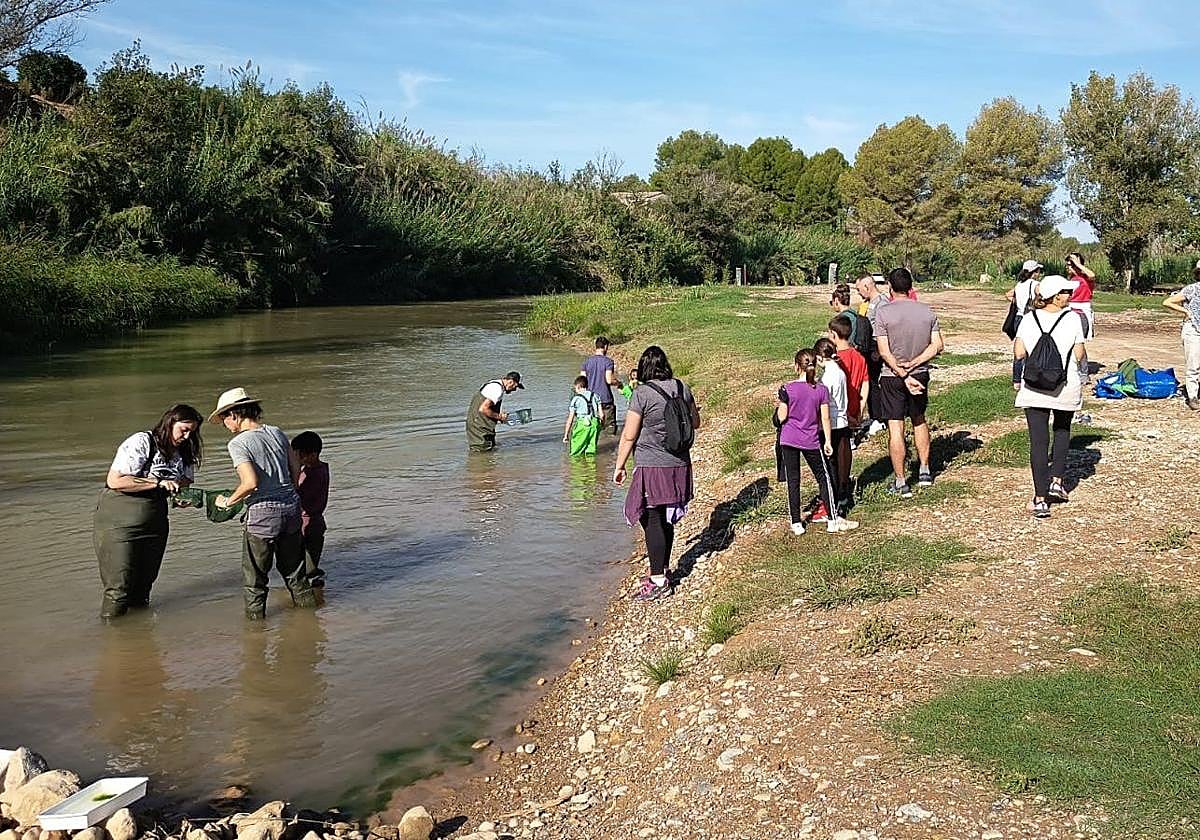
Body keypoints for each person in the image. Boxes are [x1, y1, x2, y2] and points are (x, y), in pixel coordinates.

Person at [210, 388, 317, 619]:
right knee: (296, 575)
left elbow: (250, 483)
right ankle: (311, 622)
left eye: (224, 418)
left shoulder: (238, 444)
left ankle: (255, 632)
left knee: (255, 582)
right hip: (291, 509)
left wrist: (227, 502)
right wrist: (288, 493)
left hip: (262, 516)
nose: (224, 424)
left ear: (234, 414)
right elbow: (296, 469)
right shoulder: (276, 432)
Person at [94, 404, 204, 619]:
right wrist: (158, 482)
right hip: (119, 520)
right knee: (119, 587)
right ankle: (111, 632)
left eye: (192, 432)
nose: (187, 436)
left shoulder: (185, 450)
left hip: (155, 520)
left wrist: (182, 496)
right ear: (170, 423)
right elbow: (115, 480)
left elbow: (185, 481)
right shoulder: (142, 441)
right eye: (184, 430)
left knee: (144, 586)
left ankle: (140, 635)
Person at [613, 346, 700, 601]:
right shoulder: (682, 387)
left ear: (643, 368)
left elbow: (629, 435)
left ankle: (658, 580)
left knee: (651, 518)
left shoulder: (642, 394)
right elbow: (696, 422)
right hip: (679, 463)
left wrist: (619, 466)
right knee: (665, 518)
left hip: (652, 466)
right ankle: (662, 568)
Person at [1014, 276, 1086, 518]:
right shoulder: (1073, 319)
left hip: (1034, 387)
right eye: (1067, 292)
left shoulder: (1028, 319)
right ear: (1056, 296)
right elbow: (1079, 354)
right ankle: (1057, 481)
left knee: (1038, 441)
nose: (1070, 295)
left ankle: (1040, 499)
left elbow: (1019, 352)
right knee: (1062, 431)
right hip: (1065, 385)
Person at [875, 267, 944, 498]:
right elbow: (937, 345)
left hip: (892, 375)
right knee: (919, 419)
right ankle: (924, 470)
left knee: (896, 427)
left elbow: (884, 351)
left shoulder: (883, 313)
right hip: (920, 373)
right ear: (911, 287)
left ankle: (901, 481)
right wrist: (915, 363)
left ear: (890, 287)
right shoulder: (927, 311)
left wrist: (902, 371)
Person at [776, 349, 858, 535]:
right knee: (823, 477)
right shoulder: (821, 390)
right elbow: (825, 418)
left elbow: (782, 416)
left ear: (796, 366)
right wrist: (827, 441)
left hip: (789, 438)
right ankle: (832, 519)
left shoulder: (787, 389)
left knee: (793, 480)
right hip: (811, 439)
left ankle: (796, 522)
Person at [814, 337, 854, 517]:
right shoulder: (840, 372)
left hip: (830, 424)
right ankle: (843, 496)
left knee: (831, 466)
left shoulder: (826, 378)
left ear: (820, 357)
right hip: (843, 422)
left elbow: (823, 404)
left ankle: (833, 502)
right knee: (842, 463)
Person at [291, 431, 329, 589]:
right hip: (312, 522)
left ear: (312, 455)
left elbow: (298, 496)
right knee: (307, 561)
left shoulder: (314, 474)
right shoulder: (318, 469)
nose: (297, 460)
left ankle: (312, 589)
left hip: (309, 523)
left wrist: (295, 472)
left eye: (299, 456)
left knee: (308, 565)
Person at [854, 272, 891, 435]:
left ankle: (880, 418)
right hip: (867, 347)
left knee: (875, 384)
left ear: (867, 286)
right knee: (868, 382)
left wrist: (878, 351)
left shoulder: (882, 303)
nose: (858, 293)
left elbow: (886, 329)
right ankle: (873, 415)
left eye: (859, 289)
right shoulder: (868, 303)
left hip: (877, 348)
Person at [1162, 260, 1200, 410]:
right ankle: (1193, 397)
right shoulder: (1192, 289)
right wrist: (1186, 311)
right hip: (1193, 330)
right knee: (1193, 365)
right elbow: (1168, 302)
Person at [1006, 259, 1044, 389]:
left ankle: (1016, 380)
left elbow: (1008, 295)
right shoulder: (1035, 284)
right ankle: (1030, 377)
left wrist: (1017, 303)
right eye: (1038, 271)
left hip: (1018, 317)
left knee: (1019, 349)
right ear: (1035, 272)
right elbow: (1043, 297)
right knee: (1033, 349)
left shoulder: (1019, 284)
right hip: (1030, 318)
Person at [829, 315, 869, 433]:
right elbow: (865, 384)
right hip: (854, 408)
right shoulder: (859, 357)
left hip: (840, 411)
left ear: (833, 334)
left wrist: (847, 415)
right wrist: (861, 409)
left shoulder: (836, 360)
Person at [466, 371, 524, 452]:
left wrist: (499, 416)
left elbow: (487, 408)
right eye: (516, 386)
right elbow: (483, 409)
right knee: (481, 452)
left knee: (490, 452)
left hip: (480, 424)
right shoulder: (497, 389)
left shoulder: (494, 384)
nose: (514, 390)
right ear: (511, 382)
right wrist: (500, 417)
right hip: (480, 427)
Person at [1066, 252, 1097, 381]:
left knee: (1078, 342)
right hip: (1069, 312)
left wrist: (1077, 264)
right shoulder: (1071, 280)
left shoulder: (1086, 278)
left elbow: (1092, 275)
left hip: (1081, 313)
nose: (1069, 267)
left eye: (1071, 265)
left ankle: (1083, 373)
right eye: (1068, 265)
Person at [582, 336, 622, 435]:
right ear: (605, 346)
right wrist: (618, 383)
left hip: (590, 400)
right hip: (605, 399)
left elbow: (582, 381)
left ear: (596, 346)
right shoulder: (608, 362)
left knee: (593, 430)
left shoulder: (586, 362)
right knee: (609, 429)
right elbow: (609, 380)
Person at [562, 375, 602, 457]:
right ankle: (591, 464)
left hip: (582, 424)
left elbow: (570, 419)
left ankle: (576, 465)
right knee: (591, 451)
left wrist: (566, 435)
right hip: (594, 423)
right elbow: (602, 415)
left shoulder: (576, 399)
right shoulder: (595, 396)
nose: (576, 391)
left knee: (576, 452)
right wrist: (600, 425)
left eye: (576, 389)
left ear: (578, 387)